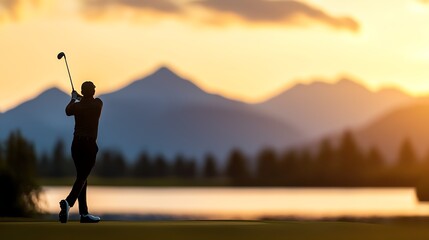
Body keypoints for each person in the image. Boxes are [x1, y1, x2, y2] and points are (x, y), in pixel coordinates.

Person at [59, 81, 103, 223]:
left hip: (76, 144)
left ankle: (84, 214)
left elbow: (67, 111)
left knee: (82, 177)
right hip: (89, 145)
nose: (96, 89)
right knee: (82, 176)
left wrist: (73, 98)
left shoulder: (77, 106)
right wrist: (78, 97)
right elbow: (88, 102)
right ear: (93, 91)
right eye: (94, 88)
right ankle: (68, 202)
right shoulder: (98, 104)